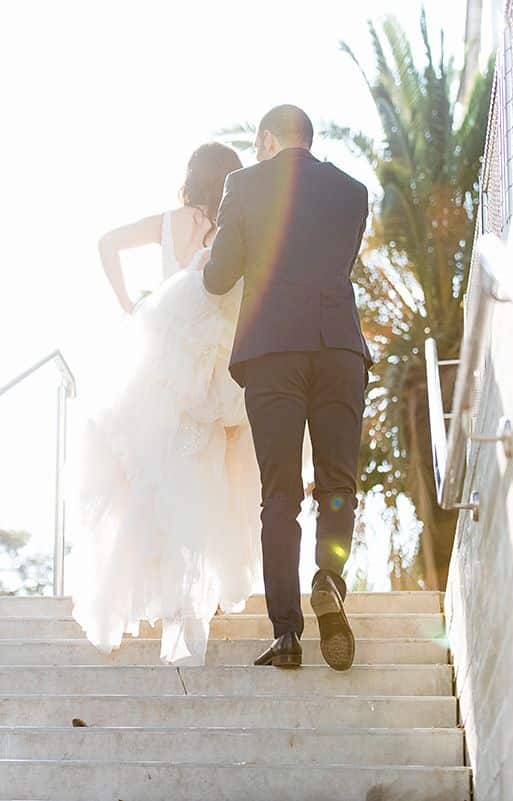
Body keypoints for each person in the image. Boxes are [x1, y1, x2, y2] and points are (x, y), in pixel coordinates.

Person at [71, 142, 261, 665]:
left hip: (161, 366)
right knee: (211, 485)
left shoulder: (167, 222)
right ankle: (193, 602)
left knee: (155, 484)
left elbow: (107, 242)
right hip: (215, 371)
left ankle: (173, 604)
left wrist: (129, 303)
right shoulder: (235, 228)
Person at [204, 105, 371, 672]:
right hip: (339, 349)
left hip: (273, 352)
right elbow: (340, 266)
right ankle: (329, 579)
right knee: (338, 483)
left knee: (280, 493)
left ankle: (287, 634)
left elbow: (219, 277)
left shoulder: (244, 185)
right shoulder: (352, 192)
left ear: (268, 139)